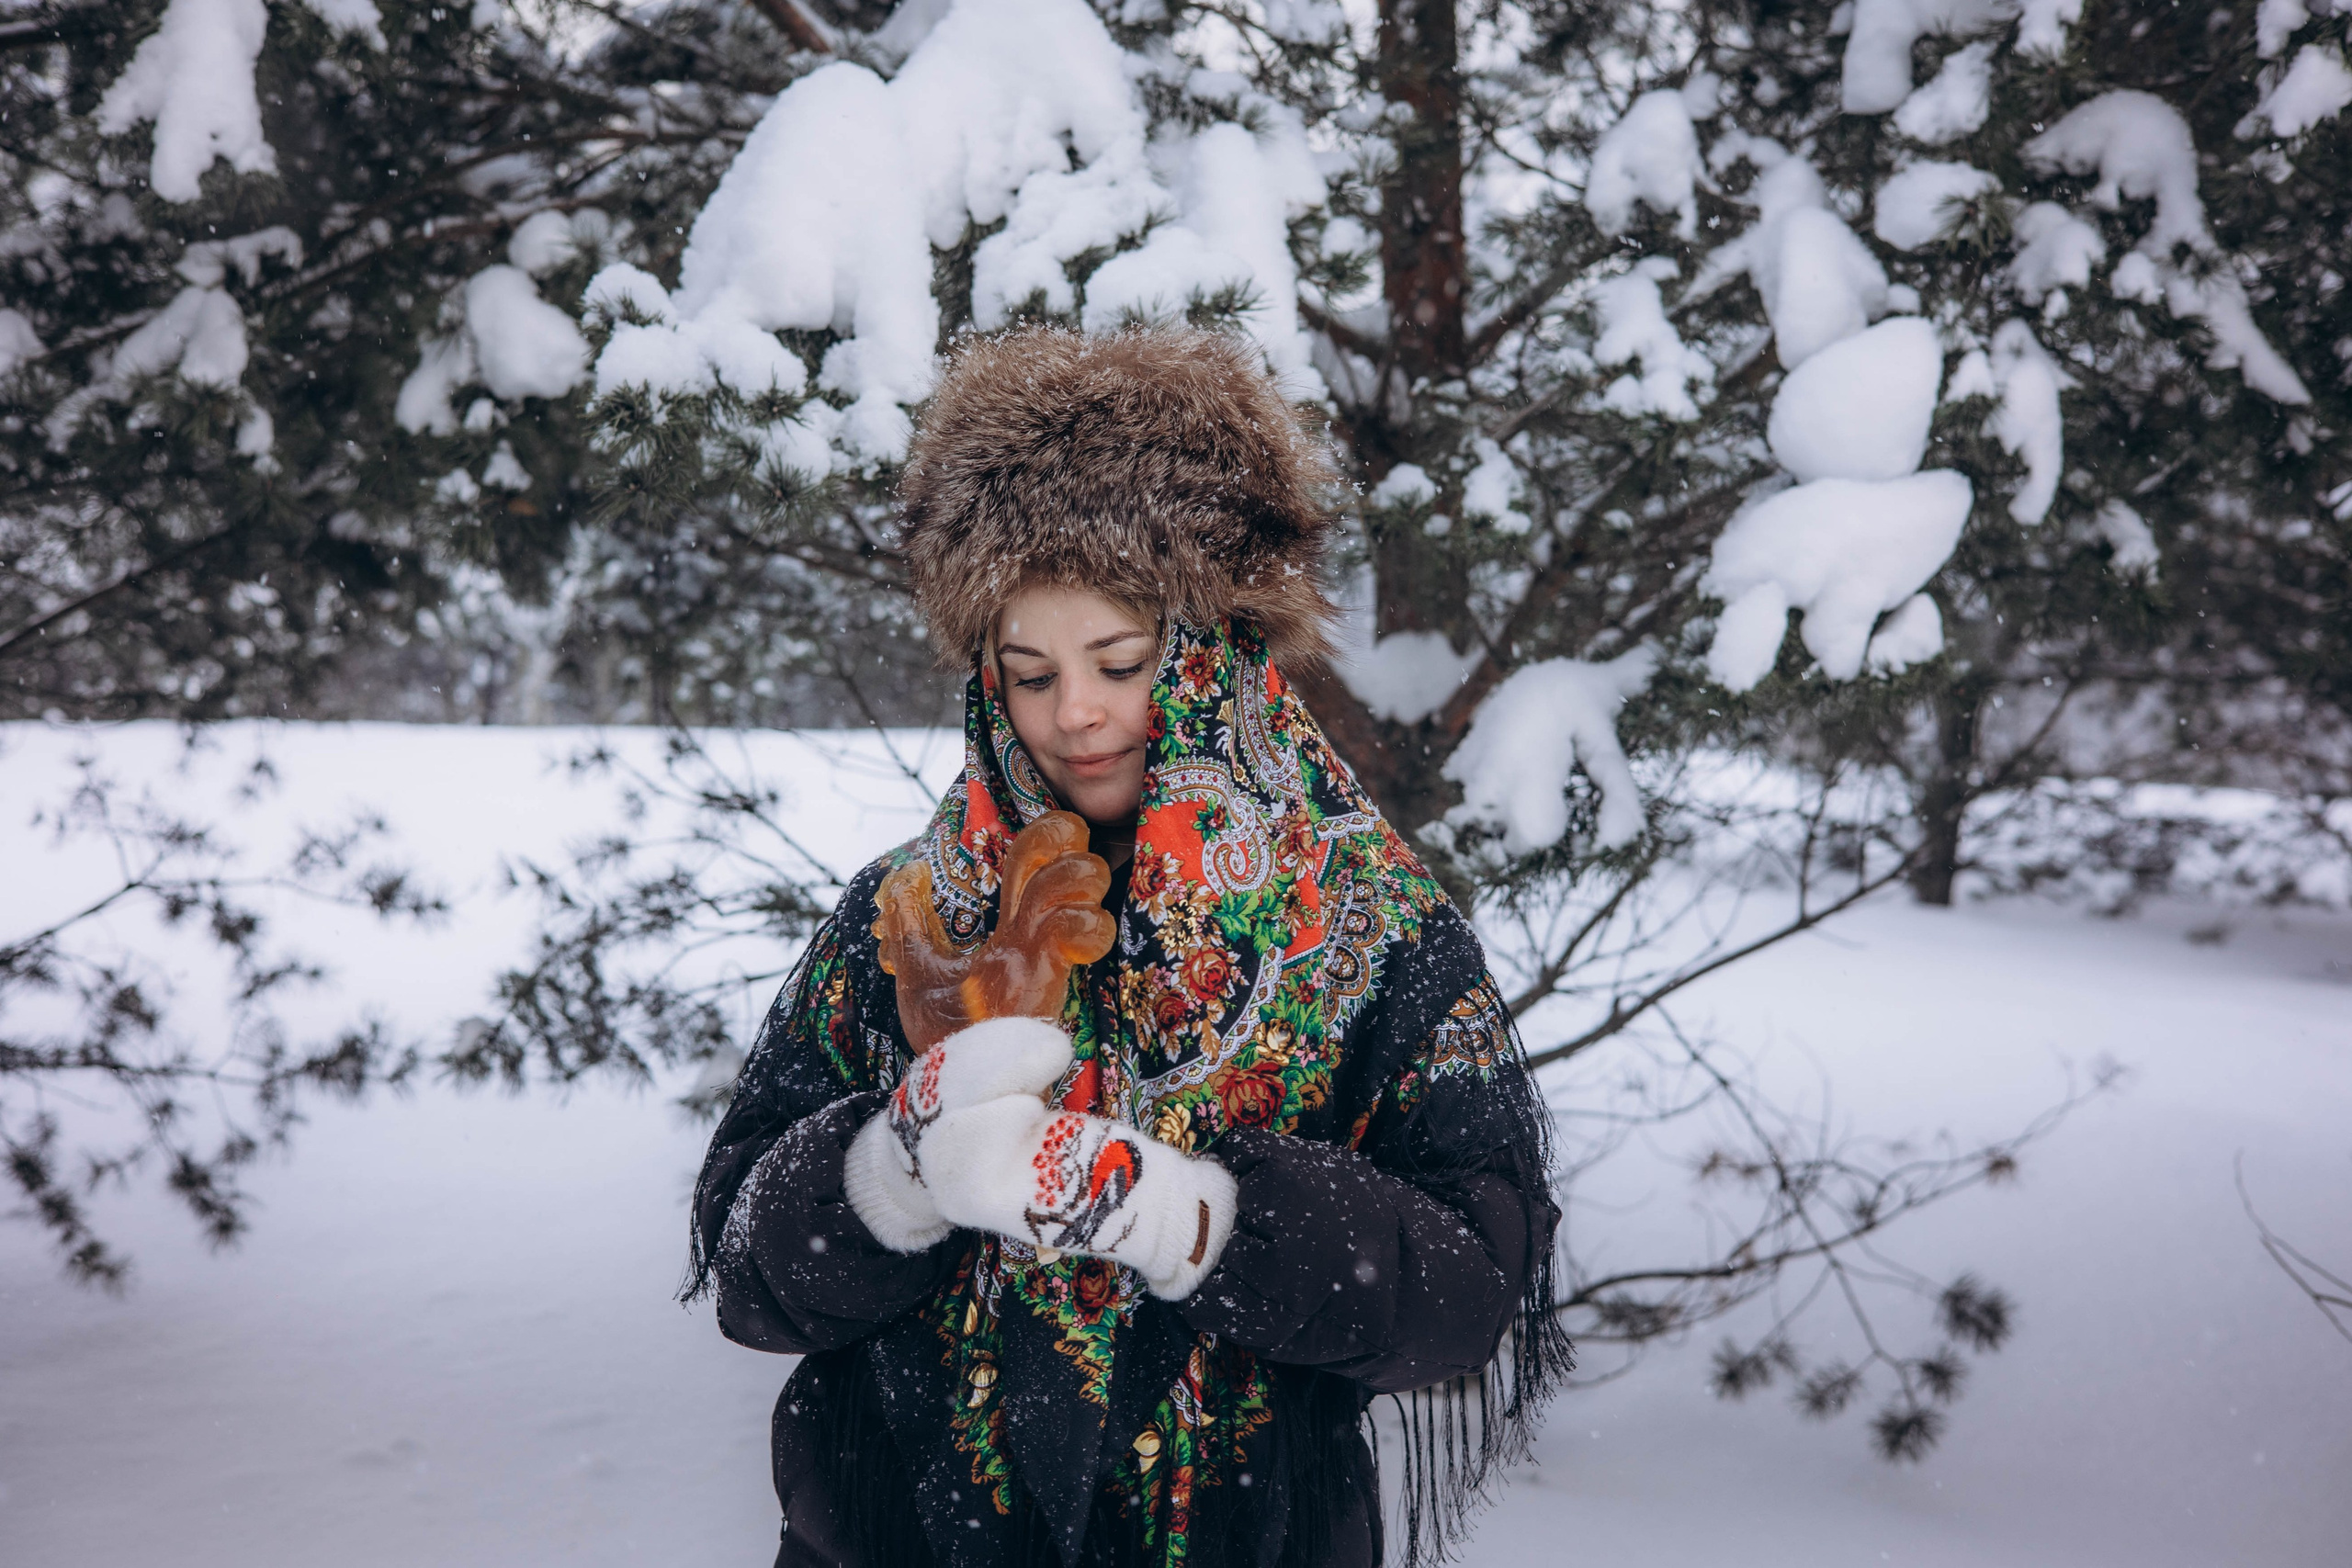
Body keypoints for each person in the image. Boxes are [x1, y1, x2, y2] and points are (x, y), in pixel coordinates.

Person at [684, 325, 1570, 1568]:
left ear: (1212, 650)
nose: (1076, 713)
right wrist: (892, 1172)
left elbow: (1469, 1286)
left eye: (1119, 661)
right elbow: (743, 1262)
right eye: (1028, 672)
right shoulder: (905, 914)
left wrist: (1193, 1222)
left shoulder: (1370, 927)